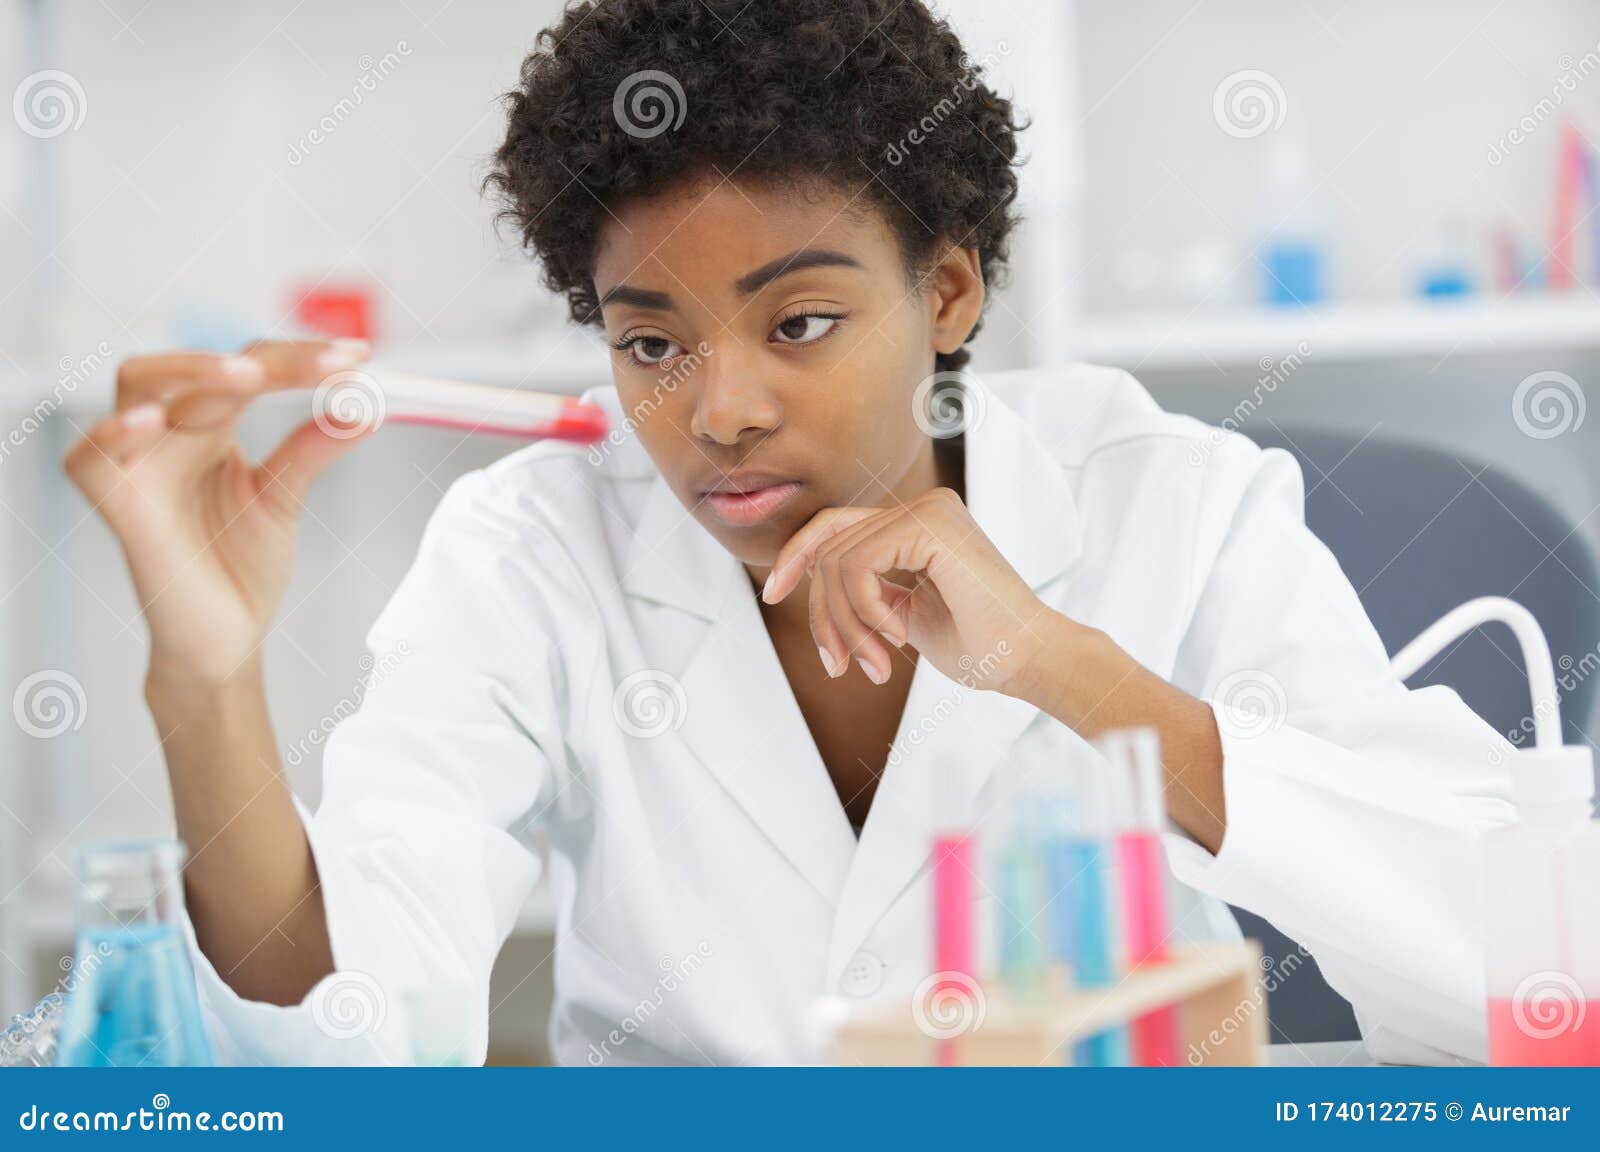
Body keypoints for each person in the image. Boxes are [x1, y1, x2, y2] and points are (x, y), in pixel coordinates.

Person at [63, 0, 1509, 1065]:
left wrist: (1060, 662)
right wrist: (203, 675)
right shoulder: (532, 544)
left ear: (947, 294)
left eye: (800, 320)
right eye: (651, 344)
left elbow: (1502, 969)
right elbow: (350, 1039)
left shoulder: (1173, 501)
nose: (719, 411)